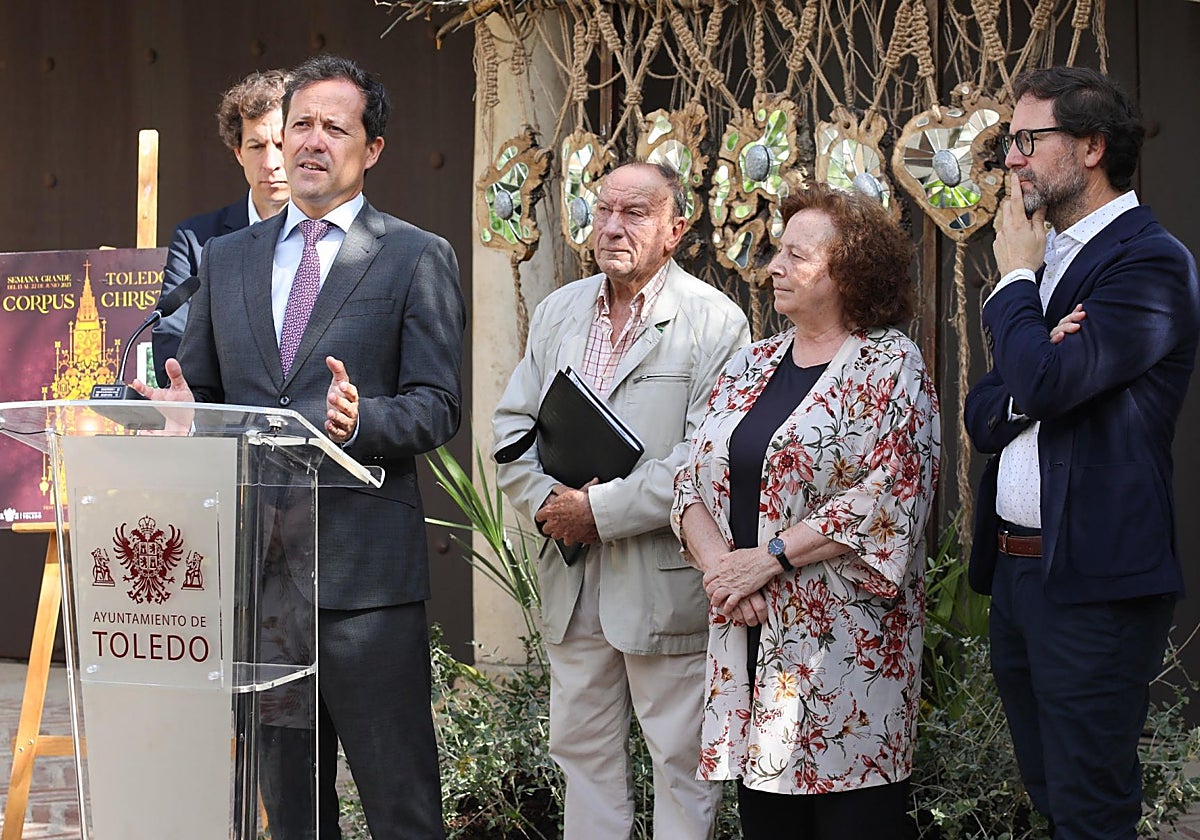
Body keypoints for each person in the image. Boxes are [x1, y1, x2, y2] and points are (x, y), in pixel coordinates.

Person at [133, 54, 465, 840]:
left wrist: (362, 421)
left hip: (366, 585)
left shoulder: (416, 256)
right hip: (262, 584)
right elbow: (209, 395)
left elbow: (438, 406)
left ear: (372, 149)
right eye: (299, 126)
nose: (309, 143)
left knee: (400, 804)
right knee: (290, 813)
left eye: (333, 127)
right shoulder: (228, 260)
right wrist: (191, 420)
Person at [965, 66, 1200, 838]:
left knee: (1093, 813)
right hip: (1020, 575)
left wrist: (1015, 292)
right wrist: (1037, 365)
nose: (1012, 161)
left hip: (1093, 584)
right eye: (1009, 143)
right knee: (1052, 799)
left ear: (1092, 146)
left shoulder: (1149, 262)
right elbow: (986, 412)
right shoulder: (1050, 264)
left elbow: (1048, 383)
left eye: (1027, 141)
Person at [672, 183, 940, 839]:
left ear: (847, 272)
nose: (775, 267)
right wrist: (722, 574)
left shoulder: (890, 363)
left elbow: (887, 493)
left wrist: (765, 560)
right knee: (769, 824)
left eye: (796, 255)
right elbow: (685, 476)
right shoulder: (751, 363)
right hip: (749, 638)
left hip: (846, 659)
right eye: (777, 253)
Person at [492, 161, 750, 840]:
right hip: (572, 576)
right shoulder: (559, 310)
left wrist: (597, 513)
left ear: (677, 228)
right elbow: (511, 430)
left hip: (661, 579)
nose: (611, 226)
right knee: (582, 756)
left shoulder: (715, 322)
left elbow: (704, 459)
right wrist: (551, 503)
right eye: (603, 209)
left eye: (635, 213)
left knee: (680, 761)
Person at [152, 69, 291, 386]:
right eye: (256, 146)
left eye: (281, 145)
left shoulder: (328, 236)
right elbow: (171, 340)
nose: (271, 162)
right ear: (239, 153)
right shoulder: (196, 240)